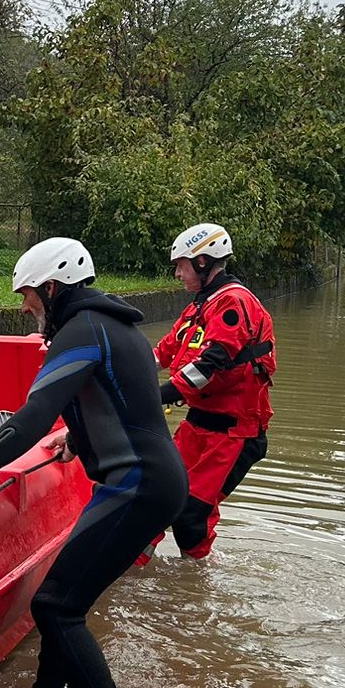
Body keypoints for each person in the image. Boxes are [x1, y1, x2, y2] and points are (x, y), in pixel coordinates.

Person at [0, 237, 186, 688]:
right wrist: (82, 435)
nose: (24, 306)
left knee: (56, 607)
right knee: (61, 601)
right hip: (149, 480)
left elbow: (31, 418)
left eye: (28, 295)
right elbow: (123, 403)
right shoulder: (115, 324)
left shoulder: (80, 332)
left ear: (52, 287)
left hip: (134, 485)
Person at [150, 222, 275, 561]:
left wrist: (155, 396)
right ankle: (127, 571)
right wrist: (121, 374)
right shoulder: (198, 308)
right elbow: (162, 353)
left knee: (191, 514)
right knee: (157, 496)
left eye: (181, 265)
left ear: (202, 262)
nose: (177, 273)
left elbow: (211, 364)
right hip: (199, 424)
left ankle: (198, 580)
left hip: (235, 433)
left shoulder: (234, 303)